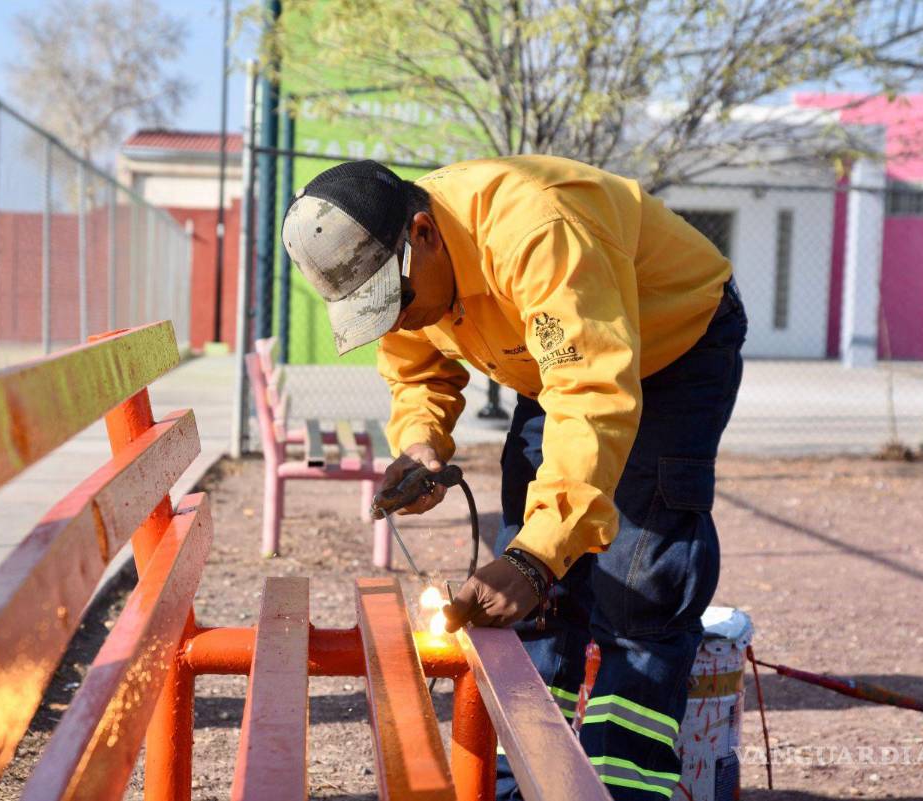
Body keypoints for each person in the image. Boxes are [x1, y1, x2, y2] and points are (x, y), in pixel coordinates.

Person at [281, 155, 747, 801]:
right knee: (535, 594)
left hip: (670, 347)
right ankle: (521, 778)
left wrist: (535, 558)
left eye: (398, 300)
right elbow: (417, 371)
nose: (400, 318)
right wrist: (420, 446)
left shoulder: (536, 230)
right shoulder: (403, 267)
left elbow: (591, 394)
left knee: (638, 582)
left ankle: (623, 785)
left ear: (423, 233)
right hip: (551, 363)